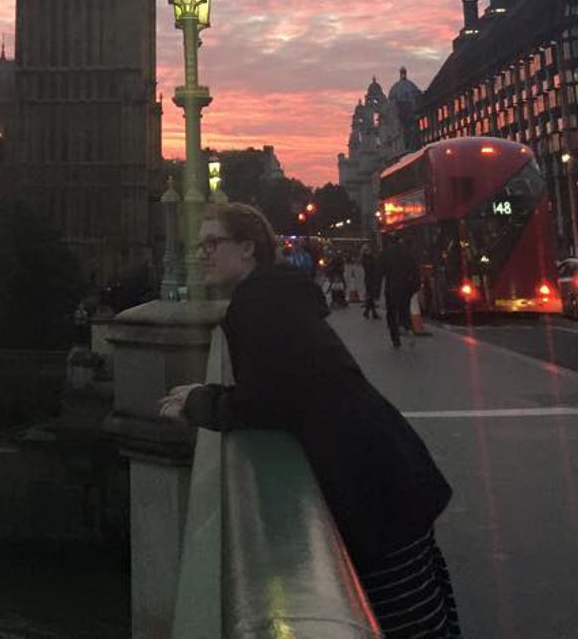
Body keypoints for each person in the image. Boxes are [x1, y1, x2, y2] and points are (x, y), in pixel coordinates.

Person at [159, 202, 461, 638]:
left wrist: (200, 404)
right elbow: (281, 385)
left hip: (371, 490)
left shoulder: (256, 304)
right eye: (199, 245)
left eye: (212, 243)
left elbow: (263, 404)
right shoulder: (277, 294)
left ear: (247, 248)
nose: (202, 254)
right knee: (426, 610)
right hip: (390, 470)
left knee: (406, 620)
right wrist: (211, 394)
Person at [382, 234, 420, 348]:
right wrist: (415, 286)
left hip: (391, 287)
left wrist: (375, 292)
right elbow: (415, 270)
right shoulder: (408, 253)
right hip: (405, 287)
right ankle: (408, 330)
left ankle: (395, 338)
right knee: (405, 311)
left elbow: (380, 271)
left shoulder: (386, 253)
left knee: (391, 313)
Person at [360, 243, 383, 320]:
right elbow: (370, 268)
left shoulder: (369, 258)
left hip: (371, 279)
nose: (369, 251)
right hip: (370, 279)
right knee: (370, 296)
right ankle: (368, 313)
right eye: (367, 250)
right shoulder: (366, 259)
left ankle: (370, 313)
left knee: (371, 296)